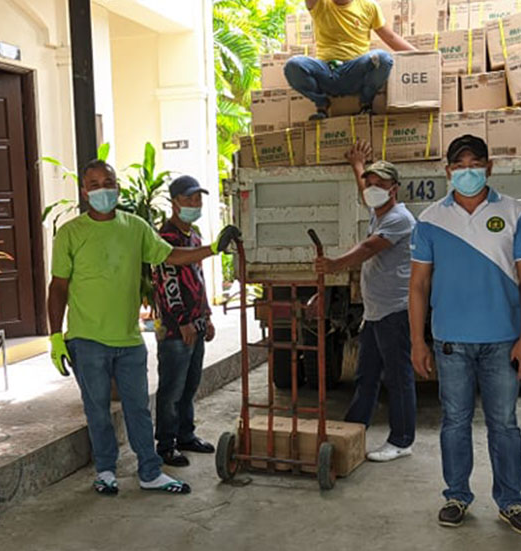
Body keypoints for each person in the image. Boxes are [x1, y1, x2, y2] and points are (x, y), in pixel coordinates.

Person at [48, 160, 240, 496]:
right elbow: (58, 287)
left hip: (129, 340)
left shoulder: (135, 227)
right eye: (93, 184)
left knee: (139, 408)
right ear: (83, 190)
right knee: (98, 411)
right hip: (87, 340)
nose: (102, 189)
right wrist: (55, 337)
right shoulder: (70, 233)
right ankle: (106, 471)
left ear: (118, 187)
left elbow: (169, 256)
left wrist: (212, 249)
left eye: (108, 182)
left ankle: (150, 471)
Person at [409, 135, 521, 535]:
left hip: (503, 340)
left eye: (475, 163)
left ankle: (511, 502)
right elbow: (417, 286)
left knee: (504, 424)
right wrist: (418, 341)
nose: (467, 171)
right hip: (451, 341)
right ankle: (456, 495)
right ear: (448, 170)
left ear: (489, 167)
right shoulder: (430, 219)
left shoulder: (515, 213)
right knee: (454, 421)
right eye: (459, 164)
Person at [313, 141, 417, 462]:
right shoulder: (379, 209)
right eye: (371, 185)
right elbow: (364, 192)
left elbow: (369, 248)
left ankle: (401, 440)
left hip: (395, 311)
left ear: (394, 189)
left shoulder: (400, 219)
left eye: (380, 185)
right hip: (375, 312)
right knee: (366, 373)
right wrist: (358, 165)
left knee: (397, 376)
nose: (372, 190)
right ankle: (353, 430)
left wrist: (334, 266)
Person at [152, 175, 218, 467]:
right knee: (171, 389)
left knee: (190, 385)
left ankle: (185, 435)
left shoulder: (194, 237)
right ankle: (165, 444)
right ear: (174, 202)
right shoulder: (164, 238)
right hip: (176, 329)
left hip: (196, 324)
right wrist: (182, 320)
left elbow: (198, 280)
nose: (195, 204)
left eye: (198, 199)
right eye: (189, 199)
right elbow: (168, 283)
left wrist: (206, 316)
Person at [285, 0, 416, 120]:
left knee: (382, 58)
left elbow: (391, 37)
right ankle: (322, 104)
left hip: (355, 72)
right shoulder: (319, 3)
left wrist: (423, 56)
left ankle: (365, 103)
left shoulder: (369, 6)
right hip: (327, 72)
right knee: (293, 65)